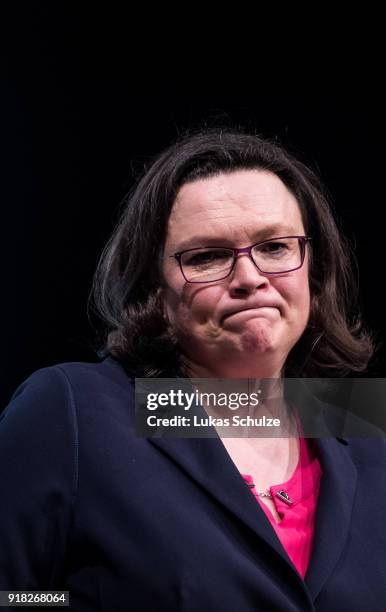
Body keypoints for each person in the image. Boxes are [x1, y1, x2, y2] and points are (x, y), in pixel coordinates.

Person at [0, 129, 385, 611]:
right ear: (154, 291)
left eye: (275, 247)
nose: (249, 277)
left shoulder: (364, 427)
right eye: (207, 257)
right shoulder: (77, 410)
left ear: (313, 267)